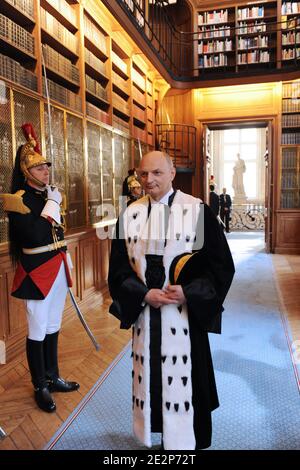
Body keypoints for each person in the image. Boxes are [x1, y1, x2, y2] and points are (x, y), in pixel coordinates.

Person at [108, 150, 235, 450]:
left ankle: (188, 440)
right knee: (152, 380)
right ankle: (160, 436)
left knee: (188, 382)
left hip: (184, 318)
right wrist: (143, 294)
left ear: (172, 172)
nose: (148, 180)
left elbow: (220, 267)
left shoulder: (197, 211)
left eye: (156, 173)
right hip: (147, 315)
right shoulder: (130, 215)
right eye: (143, 174)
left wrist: (189, 292)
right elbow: (118, 270)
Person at [2, 123, 79, 413]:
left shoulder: (50, 195)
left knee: (53, 325)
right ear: (25, 172)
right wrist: (52, 204)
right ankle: (40, 385)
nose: (46, 172)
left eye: (46, 167)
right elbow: (33, 235)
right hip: (37, 270)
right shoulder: (16, 200)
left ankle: (53, 375)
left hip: (58, 265)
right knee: (37, 328)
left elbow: (57, 233)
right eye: (39, 169)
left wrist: (52, 201)